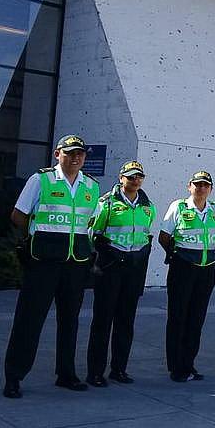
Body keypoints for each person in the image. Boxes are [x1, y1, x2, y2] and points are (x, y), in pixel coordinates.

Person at [3, 135, 100, 398]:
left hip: (75, 263)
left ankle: (66, 374)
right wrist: (39, 238)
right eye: (70, 153)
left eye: (80, 154)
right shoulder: (41, 180)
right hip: (43, 261)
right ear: (57, 154)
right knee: (29, 319)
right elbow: (18, 215)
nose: (76, 158)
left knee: (70, 320)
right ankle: (14, 376)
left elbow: (88, 223)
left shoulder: (91, 186)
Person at [86, 161, 156, 387]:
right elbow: (92, 232)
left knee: (126, 320)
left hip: (133, 269)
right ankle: (95, 372)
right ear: (121, 178)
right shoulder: (106, 203)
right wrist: (105, 252)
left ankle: (119, 369)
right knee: (103, 320)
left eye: (139, 177)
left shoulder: (148, 206)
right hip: (110, 268)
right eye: (131, 176)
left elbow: (146, 234)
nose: (135, 181)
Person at [159, 171, 215, 382]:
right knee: (178, 316)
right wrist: (180, 255)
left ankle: (189, 363)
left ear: (211, 189)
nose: (201, 188)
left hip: (206, 268)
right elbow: (164, 237)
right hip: (183, 267)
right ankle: (176, 367)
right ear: (190, 186)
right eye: (198, 184)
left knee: (197, 318)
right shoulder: (178, 207)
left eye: (206, 185)